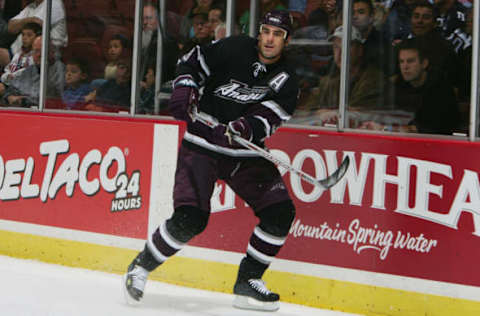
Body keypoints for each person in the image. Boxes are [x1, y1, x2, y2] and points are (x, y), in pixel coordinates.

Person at [123, 10, 300, 312]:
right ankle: (140, 267)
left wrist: (248, 126)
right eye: (266, 31)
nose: (270, 39)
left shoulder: (287, 78)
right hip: (202, 145)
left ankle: (248, 282)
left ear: (287, 40)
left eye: (278, 34)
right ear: (259, 32)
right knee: (191, 218)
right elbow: (191, 62)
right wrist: (185, 87)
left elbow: (271, 117)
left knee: (280, 212)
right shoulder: (233, 48)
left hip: (243, 152)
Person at [361, 38, 461, 134]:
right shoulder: (398, 85)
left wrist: (384, 129)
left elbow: (422, 129)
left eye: (410, 61)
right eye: (401, 61)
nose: (405, 67)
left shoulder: (440, 88)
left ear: (424, 63)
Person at [299, 26, 386, 115]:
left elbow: (359, 113)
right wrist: (318, 113)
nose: (340, 53)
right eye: (336, 47)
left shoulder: (373, 80)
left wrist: (332, 114)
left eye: (346, 46)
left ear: (360, 50)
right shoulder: (329, 81)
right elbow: (307, 110)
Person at [1, 35, 64, 107]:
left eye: (42, 51)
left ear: (52, 52)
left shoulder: (60, 70)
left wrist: (25, 100)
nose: (39, 55)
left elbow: (54, 98)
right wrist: (10, 97)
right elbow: (12, 89)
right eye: (36, 51)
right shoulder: (29, 70)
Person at [0, 0, 68, 67]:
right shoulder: (31, 6)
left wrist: (23, 22)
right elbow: (10, 27)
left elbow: (35, 26)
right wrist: (30, 19)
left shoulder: (53, 3)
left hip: (40, 59)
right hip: (18, 54)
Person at [0, 22, 41, 95]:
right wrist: (6, 77)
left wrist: (12, 77)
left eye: (29, 35)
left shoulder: (36, 57)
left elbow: (26, 75)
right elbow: (7, 71)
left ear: (37, 37)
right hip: (10, 87)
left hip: (24, 90)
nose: (24, 38)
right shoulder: (18, 55)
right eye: (23, 34)